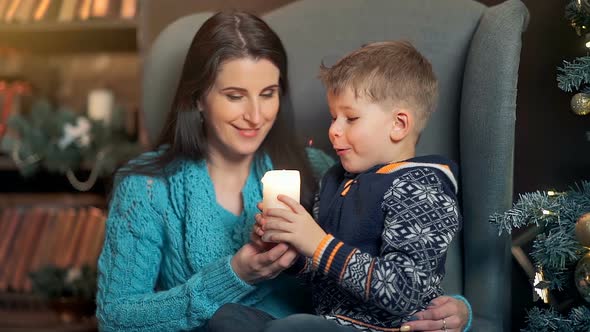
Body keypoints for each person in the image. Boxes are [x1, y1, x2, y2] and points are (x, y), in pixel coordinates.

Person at [95, 11, 471, 332]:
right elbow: (114, 319)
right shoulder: (146, 189)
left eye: (268, 93)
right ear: (198, 98)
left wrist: (453, 311)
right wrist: (235, 274)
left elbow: (404, 260)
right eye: (235, 95)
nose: (256, 117)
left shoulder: (322, 170)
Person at [208, 41, 469, 332]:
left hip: (385, 328)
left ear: (399, 124)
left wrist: (318, 244)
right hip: (327, 323)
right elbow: (323, 276)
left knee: (295, 328)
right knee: (228, 318)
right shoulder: (334, 181)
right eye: (334, 117)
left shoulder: (422, 188)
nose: (333, 130)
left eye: (351, 118)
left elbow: (405, 292)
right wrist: (290, 250)